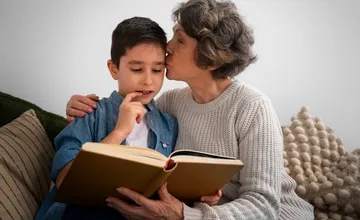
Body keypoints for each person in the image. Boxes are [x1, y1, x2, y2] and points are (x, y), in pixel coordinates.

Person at [66, 0, 315, 219]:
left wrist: (186, 215)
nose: (168, 47)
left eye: (180, 39)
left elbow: (264, 205)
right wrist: (81, 107)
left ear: (210, 56)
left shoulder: (253, 106)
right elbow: (127, 107)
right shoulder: (168, 104)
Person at [36, 16, 221, 220]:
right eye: (137, 69)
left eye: (158, 70)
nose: (148, 80)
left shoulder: (169, 123)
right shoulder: (89, 113)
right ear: (114, 69)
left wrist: (199, 196)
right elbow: (65, 181)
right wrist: (119, 132)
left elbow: (169, 187)